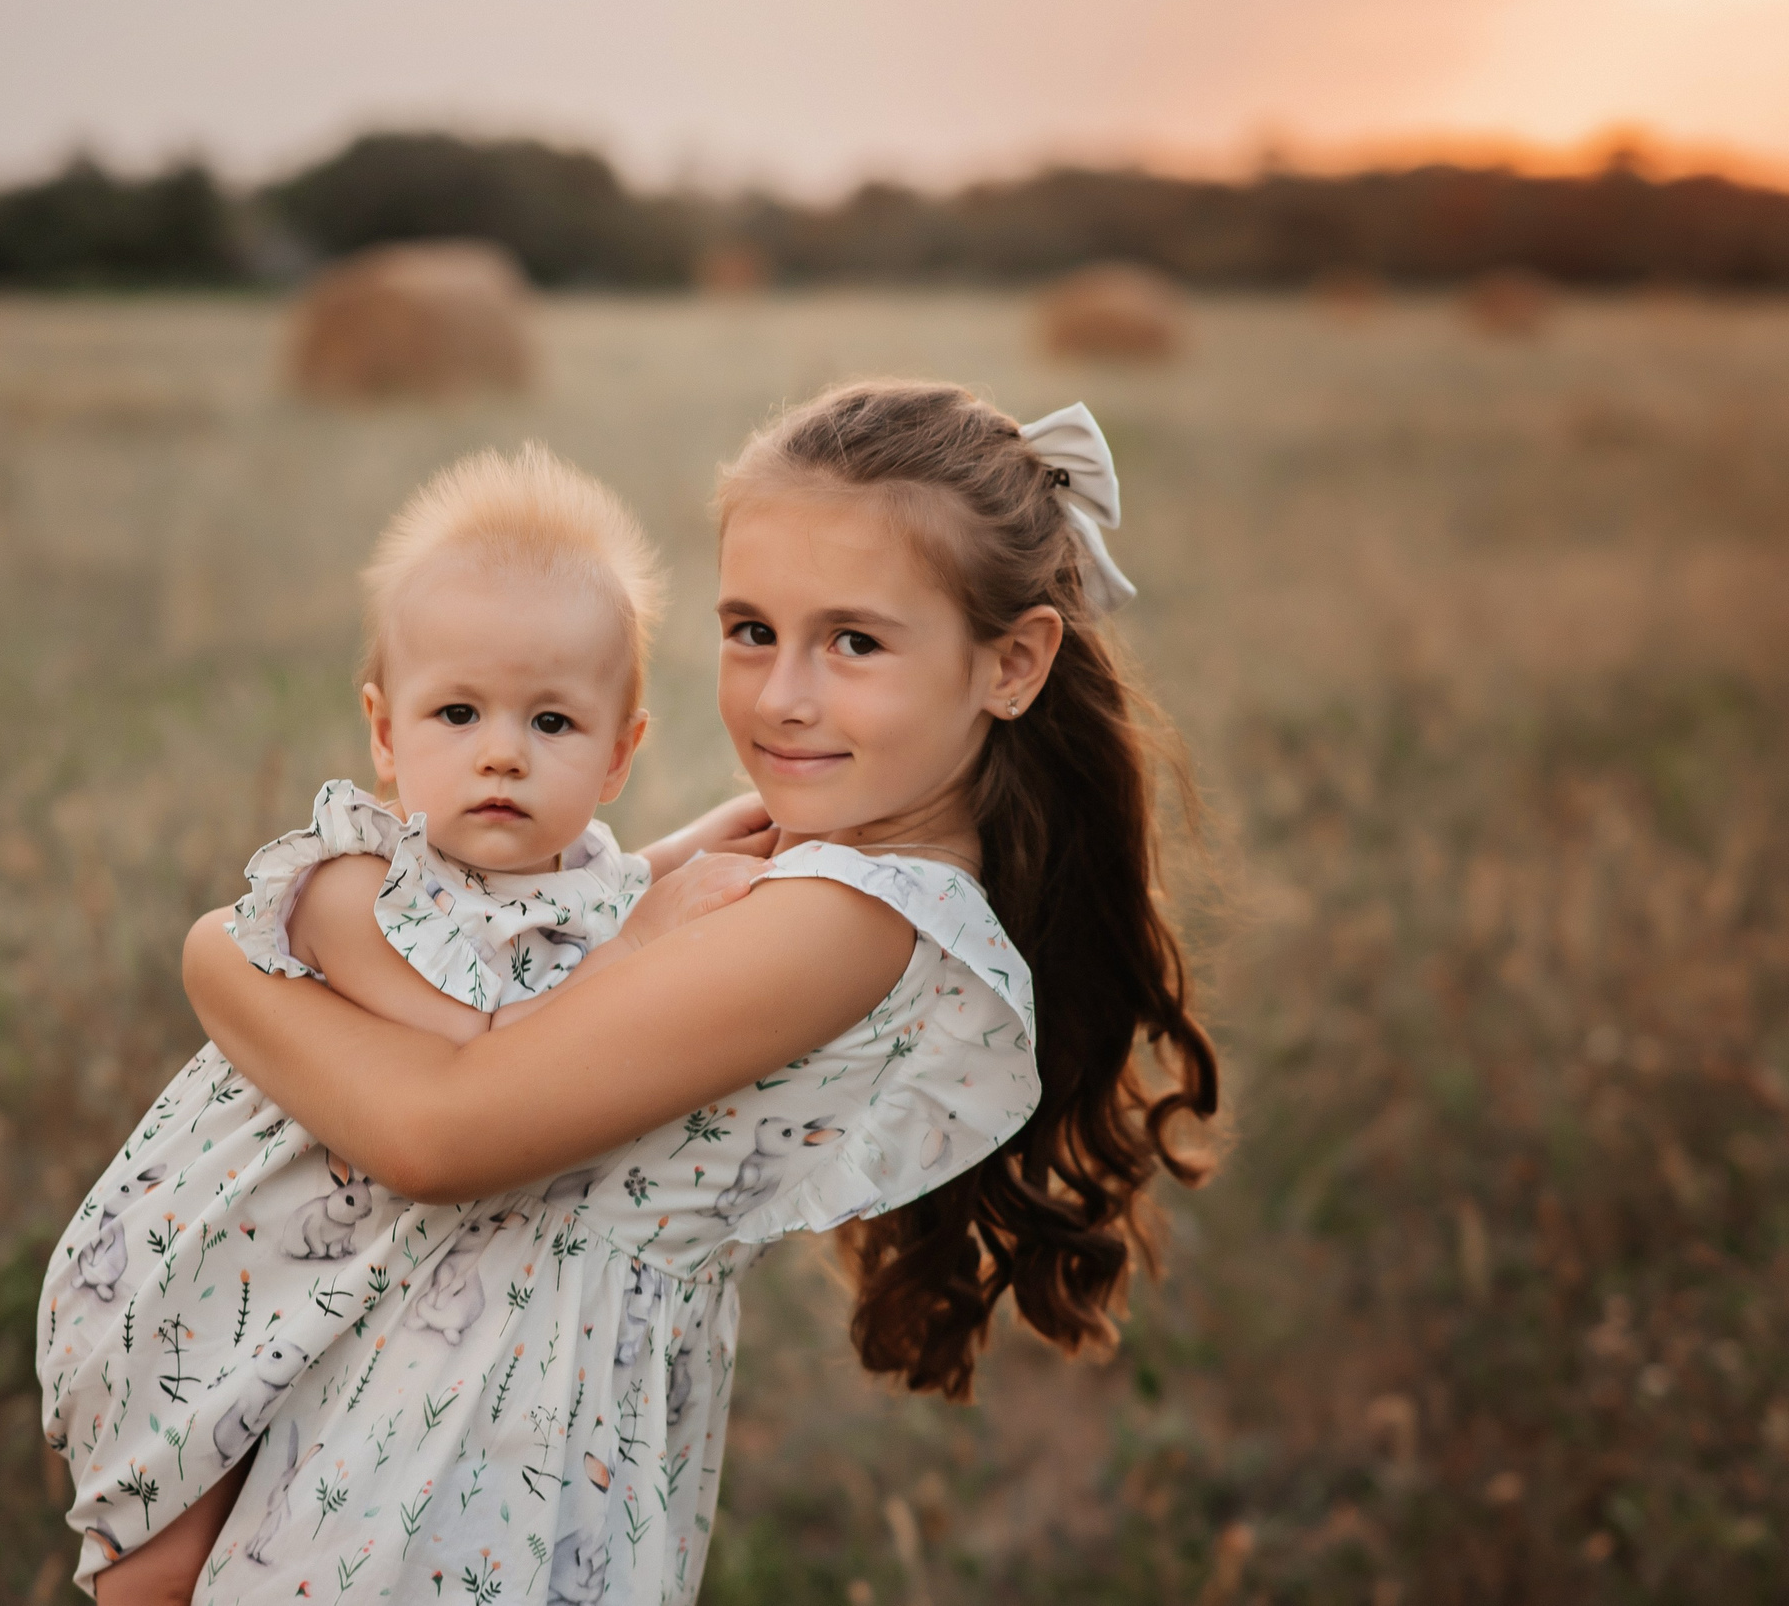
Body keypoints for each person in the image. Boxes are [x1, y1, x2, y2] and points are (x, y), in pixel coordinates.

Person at [175, 382, 1221, 1604]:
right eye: (748, 628)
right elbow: (533, 945)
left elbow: (433, 1130)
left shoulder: (843, 920)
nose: (781, 694)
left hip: (483, 1461)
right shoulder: (802, 844)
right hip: (450, 1399)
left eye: (855, 641)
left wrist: (219, 955)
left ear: (1013, 662)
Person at [37, 445, 772, 1603]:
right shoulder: (349, 885)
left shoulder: (582, 878)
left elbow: (619, 895)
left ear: (621, 753)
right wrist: (643, 940)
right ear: (384, 733)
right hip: (244, 1260)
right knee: (160, 1561)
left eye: (552, 722)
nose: (500, 751)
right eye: (458, 711)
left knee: (303, 1509)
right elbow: (489, 1046)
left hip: (384, 1274)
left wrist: (722, 838)